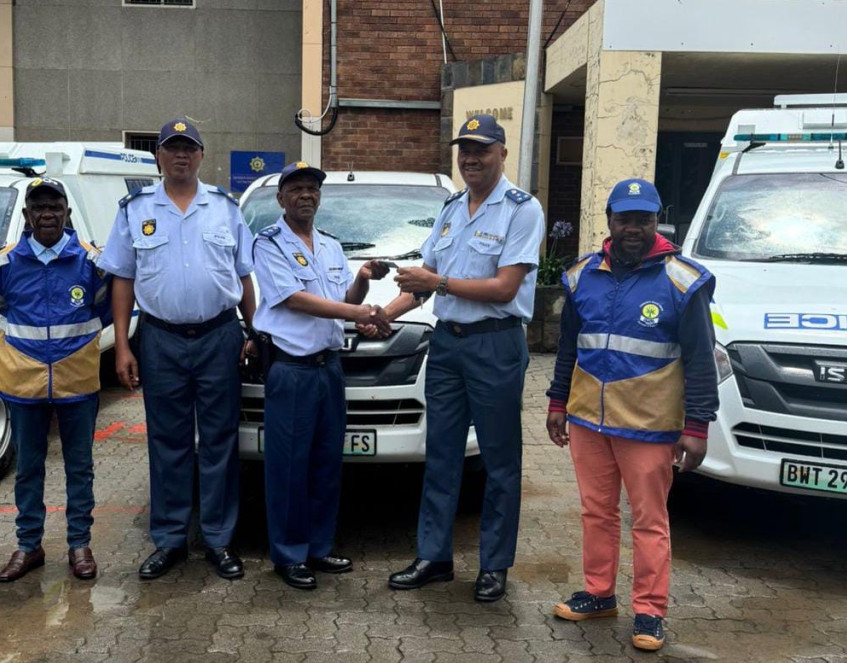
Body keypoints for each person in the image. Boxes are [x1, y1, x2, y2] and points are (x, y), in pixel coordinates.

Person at [546, 178, 718, 651]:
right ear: (610, 221)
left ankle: (649, 610)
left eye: (644, 219)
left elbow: (702, 359)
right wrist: (558, 402)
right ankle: (599, 593)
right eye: (625, 219)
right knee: (596, 511)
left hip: (650, 424)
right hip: (587, 418)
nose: (634, 229)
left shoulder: (683, 280)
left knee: (649, 519)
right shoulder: (582, 275)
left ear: (656, 221)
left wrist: (698, 426)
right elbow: (567, 348)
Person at [379, 114, 544, 602]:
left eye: (481, 149)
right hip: (447, 345)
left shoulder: (521, 209)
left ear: (502, 153)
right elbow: (425, 279)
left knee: (499, 461)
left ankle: (494, 564)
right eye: (464, 150)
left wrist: (439, 284)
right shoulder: (451, 207)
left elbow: (505, 287)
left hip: (495, 343)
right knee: (442, 455)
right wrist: (385, 314)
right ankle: (434, 557)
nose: (470, 159)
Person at [98, 118, 256, 581]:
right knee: (167, 442)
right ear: (159, 157)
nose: (181, 156)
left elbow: (243, 275)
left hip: (220, 337)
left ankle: (218, 540)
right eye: (172, 148)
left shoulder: (225, 208)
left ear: (202, 156)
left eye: (189, 148)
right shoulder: (134, 209)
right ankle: (168, 540)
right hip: (161, 339)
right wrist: (123, 346)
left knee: (219, 442)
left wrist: (255, 331)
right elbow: (122, 280)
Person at [251, 161, 391, 589]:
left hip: (329, 369)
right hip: (291, 370)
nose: (306, 195)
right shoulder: (268, 243)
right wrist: (360, 312)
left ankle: (319, 546)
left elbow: (343, 298)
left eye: (312, 188)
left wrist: (364, 281)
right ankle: (289, 554)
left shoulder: (330, 247)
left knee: (327, 462)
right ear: (281, 198)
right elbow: (296, 300)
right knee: (289, 467)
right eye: (296, 189)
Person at [0, 177, 112, 582]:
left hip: (76, 378)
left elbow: (104, 312)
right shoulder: (0, 266)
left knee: (80, 467)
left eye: (55, 206)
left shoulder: (93, 263)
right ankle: (28, 546)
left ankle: (79, 544)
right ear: (26, 215)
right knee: (28, 467)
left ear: (68, 213)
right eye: (39, 207)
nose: (48, 213)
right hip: (23, 379)